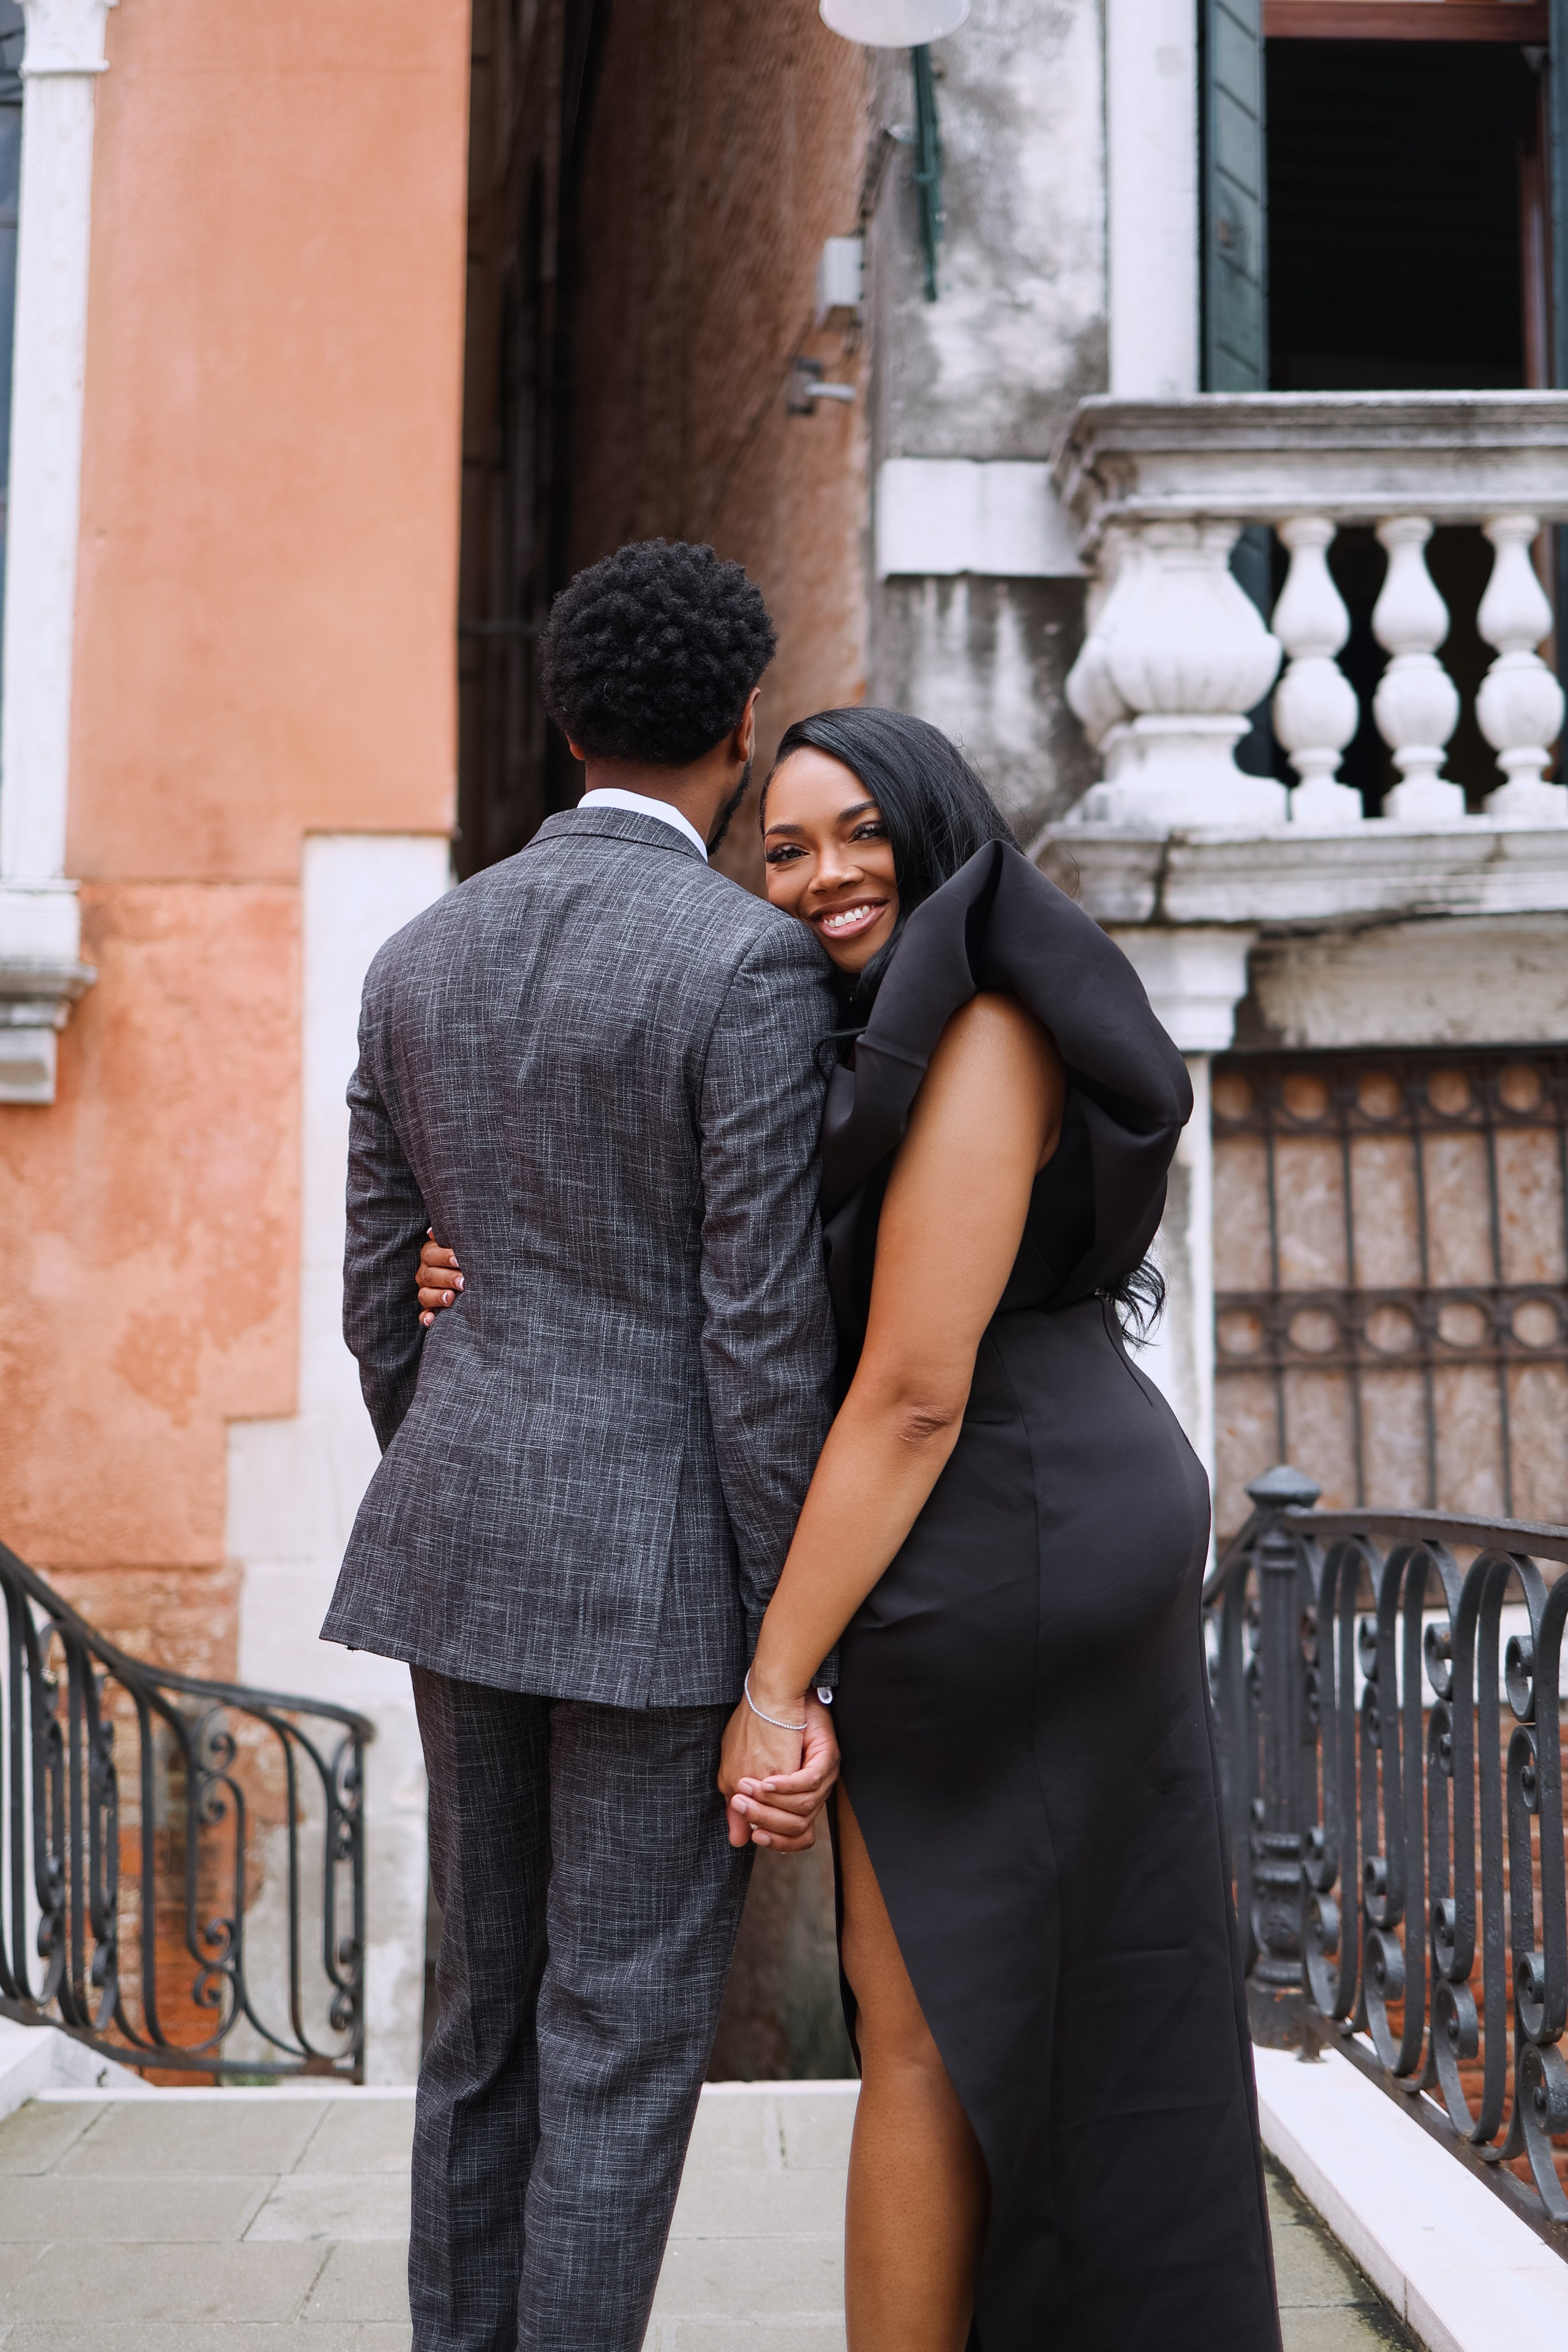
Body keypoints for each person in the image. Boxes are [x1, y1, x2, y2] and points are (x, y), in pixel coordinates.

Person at [417, 704, 1282, 2351]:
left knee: (932, 2028)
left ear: (933, 829)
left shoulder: (984, 1033)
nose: (820, 878)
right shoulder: (864, 1036)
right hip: (982, 1525)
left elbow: (907, 1393)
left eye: (860, 834)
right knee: (965, 2025)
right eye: (787, 848)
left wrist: (772, 1684)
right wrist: (475, 1276)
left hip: (1006, 1524)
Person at [323, 539, 842, 2352]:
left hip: (455, 1545)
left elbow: (378, 1303)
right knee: (618, 2039)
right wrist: (795, 1644)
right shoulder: (751, 966)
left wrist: (460, 1452)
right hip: (662, 1582)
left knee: (479, 2022)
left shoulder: (417, 954)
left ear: (560, 729)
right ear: (745, 729)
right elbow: (760, 1339)